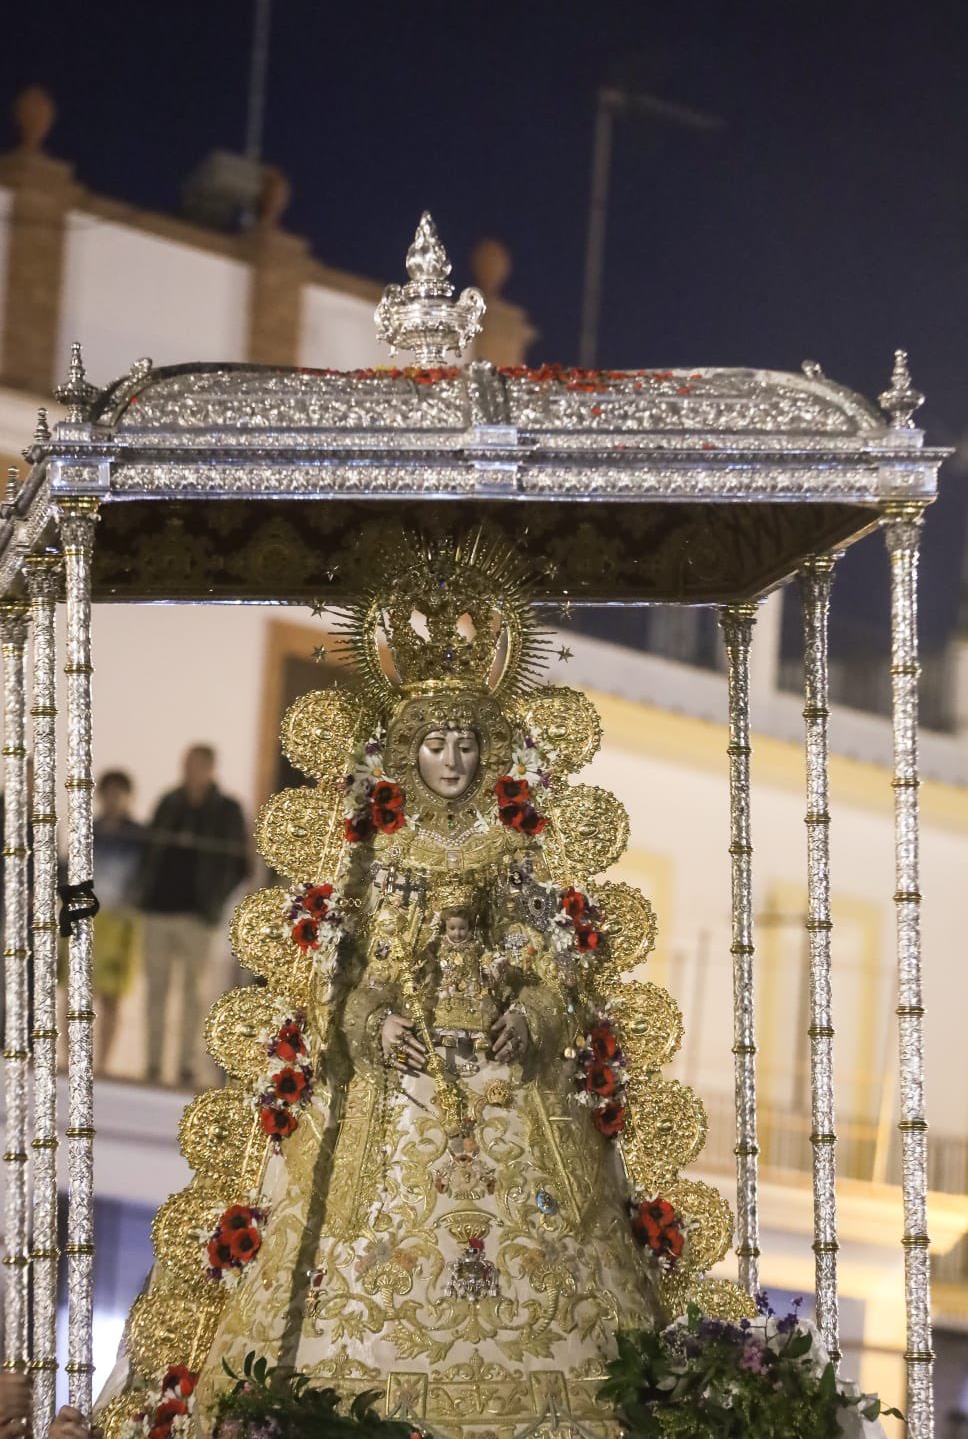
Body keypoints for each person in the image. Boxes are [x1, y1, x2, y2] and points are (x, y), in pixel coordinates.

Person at [96, 541, 738, 1439]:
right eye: (435, 742)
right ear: (408, 750)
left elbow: (550, 967)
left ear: (489, 750)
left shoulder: (515, 853)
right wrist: (373, 1022)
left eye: (468, 742)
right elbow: (347, 975)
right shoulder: (375, 855)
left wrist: (533, 1014)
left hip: (514, 1094)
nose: (452, 758)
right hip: (393, 1097)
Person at [137, 746, 249, 1086]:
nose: (191, 771)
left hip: (198, 914)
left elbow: (237, 862)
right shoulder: (169, 802)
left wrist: (214, 898)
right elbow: (149, 849)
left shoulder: (227, 810)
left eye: (198, 766)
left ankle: (186, 1063)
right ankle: (153, 1063)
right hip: (159, 909)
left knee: (193, 992)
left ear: (211, 768)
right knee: (156, 989)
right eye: (187, 765)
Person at [90, 771, 144, 1076]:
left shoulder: (138, 834)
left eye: (119, 793)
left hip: (121, 921)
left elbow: (145, 878)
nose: (113, 799)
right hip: (89, 917)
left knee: (112, 997)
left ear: (128, 797)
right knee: (78, 992)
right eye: (108, 793)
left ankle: (104, 1063)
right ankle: (73, 1059)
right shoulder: (88, 829)